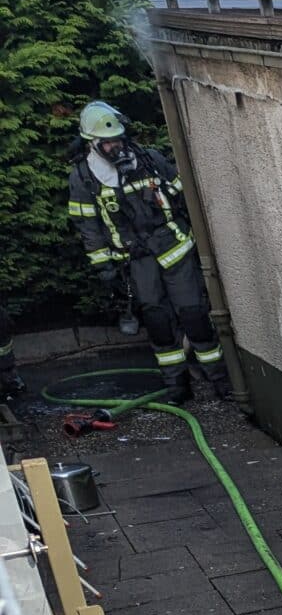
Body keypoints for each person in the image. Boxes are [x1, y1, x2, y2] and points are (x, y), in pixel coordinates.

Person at [67, 101, 229, 402]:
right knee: (158, 324)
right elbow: (88, 226)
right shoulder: (83, 178)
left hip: (175, 249)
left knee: (194, 315)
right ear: (92, 143)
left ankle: (221, 381)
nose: (115, 146)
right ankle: (177, 386)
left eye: (118, 139)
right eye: (107, 143)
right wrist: (104, 267)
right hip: (136, 261)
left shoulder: (149, 159)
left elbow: (183, 194)